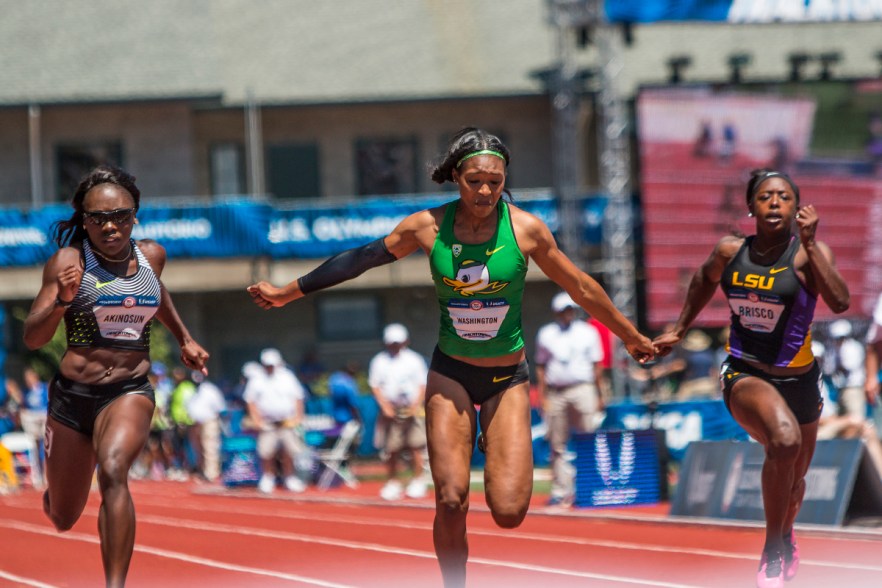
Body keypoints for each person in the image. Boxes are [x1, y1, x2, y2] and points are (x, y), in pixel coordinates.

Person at [247, 127, 655, 587]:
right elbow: (362, 257)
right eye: (475, 181)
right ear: (456, 178)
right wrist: (289, 292)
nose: (485, 191)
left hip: (508, 378)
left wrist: (630, 335)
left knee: (508, 512)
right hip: (450, 374)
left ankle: (489, 437)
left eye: (495, 182)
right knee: (452, 497)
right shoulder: (427, 226)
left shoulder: (526, 230)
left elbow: (580, 287)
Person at [653, 169, 849, 588]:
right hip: (745, 373)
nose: (774, 203)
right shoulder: (729, 251)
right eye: (765, 197)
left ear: (797, 208)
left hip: (800, 381)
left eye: (783, 197)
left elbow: (840, 300)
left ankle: (785, 533)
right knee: (784, 440)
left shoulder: (806, 255)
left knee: (794, 481)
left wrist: (812, 244)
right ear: (751, 207)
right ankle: (773, 547)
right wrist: (681, 328)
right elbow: (703, 280)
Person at [22, 165, 209, 588]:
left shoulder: (151, 256)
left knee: (112, 471)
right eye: (98, 219)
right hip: (72, 398)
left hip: (128, 389)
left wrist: (185, 338)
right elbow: (33, 337)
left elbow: (156, 293)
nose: (110, 226)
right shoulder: (69, 262)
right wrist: (61, 303)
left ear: (135, 216)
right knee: (63, 517)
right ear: (84, 221)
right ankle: (57, 492)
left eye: (120, 216)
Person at [534, 292, 605, 507]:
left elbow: (597, 365)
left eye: (570, 309)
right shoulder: (546, 333)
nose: (567, 314)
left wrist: (601, 394)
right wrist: (542, 395)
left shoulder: (588, 332)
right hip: (557, 392)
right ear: (556, 312)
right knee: (557, 444)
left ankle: (590, 487)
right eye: (563, 310)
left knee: (589, 439)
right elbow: (541, 366)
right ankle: (561, 490)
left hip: (583, 389)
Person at [369, 323, 429, 501]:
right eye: (392, 343)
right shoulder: (379, 361)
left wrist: (415, 406)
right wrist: (385, 406)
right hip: (391, 410)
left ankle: (417, 481)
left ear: (405, 341)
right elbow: (375, 385)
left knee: (416, 447)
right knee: (391, 449)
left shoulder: (414, 360)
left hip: (412, 409)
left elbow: (422, 384)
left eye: (398, 342)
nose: (395, 346)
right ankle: (393, 482)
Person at [243, 348, 308, 494]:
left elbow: (298, 397)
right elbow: (250, 400)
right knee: (266, 452)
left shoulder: (288, 377)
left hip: (287, 422)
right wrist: (256, 419)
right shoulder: (257, 379)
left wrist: (298, 417)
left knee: (290, 451)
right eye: (267, 365)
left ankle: (289, 477)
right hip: (267, 422)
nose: (270, 368)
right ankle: (268, 477)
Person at [186, 370, 227, 482]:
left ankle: (211, 473)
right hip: (194, 423)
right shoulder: (190, 390)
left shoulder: (210, 390)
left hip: (209, 421)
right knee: (198, 448)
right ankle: (202, 471)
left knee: (210, 447)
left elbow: (220, 407)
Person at [824, 319, 867, 422]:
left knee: (856, 420)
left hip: (853, 388)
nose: (839, 341)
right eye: (836, 338)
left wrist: (839, 355)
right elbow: (828, 369)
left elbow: (848, 366)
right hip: (838, 389)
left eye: (841, 338)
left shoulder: (854, 347)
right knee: (842, 420)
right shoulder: (832, 350)